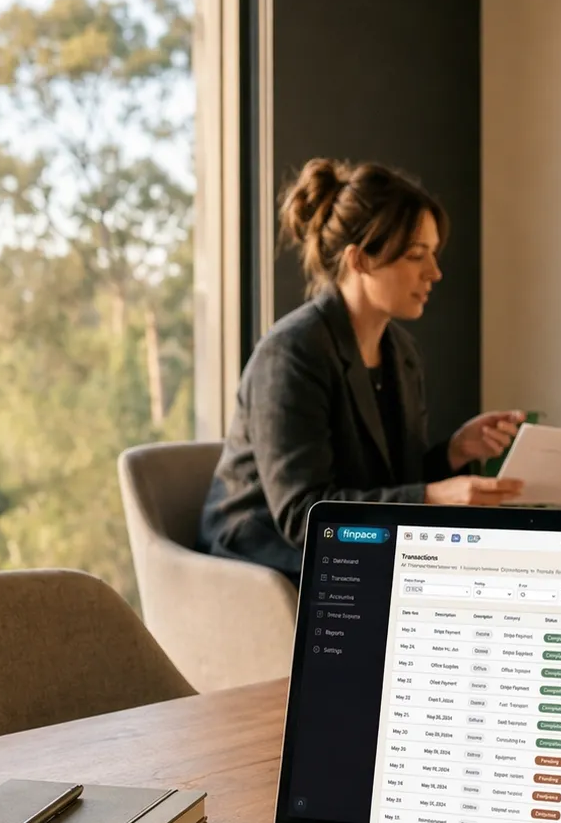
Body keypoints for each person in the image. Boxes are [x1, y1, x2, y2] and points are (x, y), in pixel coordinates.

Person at [200, 158, 524, 580]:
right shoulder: (290, 354)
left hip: (346, 553)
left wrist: (456, 451)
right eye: (415, 256)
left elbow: (390, 485)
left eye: (434, 255)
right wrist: (431, 498)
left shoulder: (401, 353)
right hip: (263, 558)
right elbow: (304, 515)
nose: (435, 272)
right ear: (360, 260)